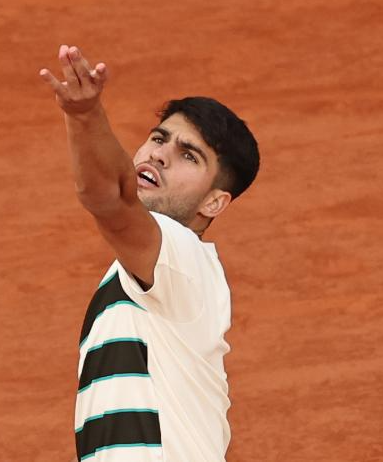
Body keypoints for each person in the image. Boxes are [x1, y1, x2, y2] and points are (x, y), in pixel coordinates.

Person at [39, 44, 261, 462]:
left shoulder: (181, 259)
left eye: (188, 156)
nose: (160, 154)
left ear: (213, 203)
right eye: (160, 138)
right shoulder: (142, 271)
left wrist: (85, 115)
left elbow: (109, 197)